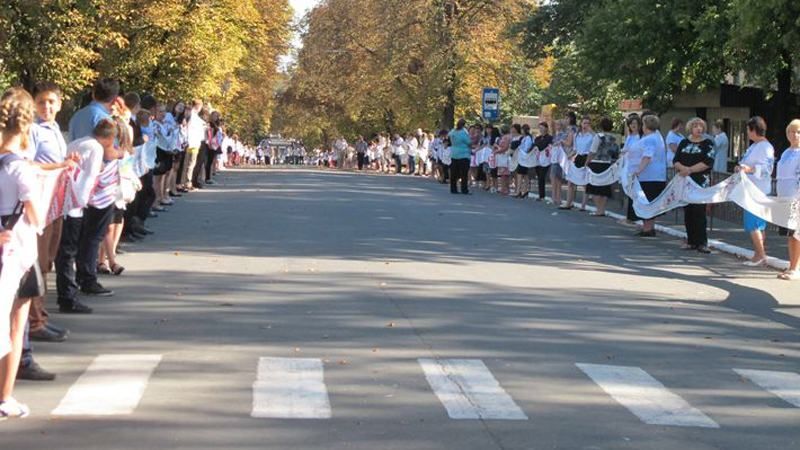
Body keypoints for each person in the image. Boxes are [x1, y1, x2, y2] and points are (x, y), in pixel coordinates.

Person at [0, 87, 44, 419]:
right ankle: (5, 396)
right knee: (15, 324)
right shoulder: (20, 168)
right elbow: (36, 217)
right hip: (15, 252)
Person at [56, 120, 118, 314]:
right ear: (109, 138)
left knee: (67, 249)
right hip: (74, 204)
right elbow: (90, 177)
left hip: (63, 200)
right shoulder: (96, 149)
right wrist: (84, 202)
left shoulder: (79, 143)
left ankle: (70, 289)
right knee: (68, 250)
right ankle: (68, 296)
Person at [673, 118, 715, 254]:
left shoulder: (707, 143)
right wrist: (682, 169)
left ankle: (702, 242)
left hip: (700, 181)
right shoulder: (684, 142)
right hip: (685, 181)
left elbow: (708, 161)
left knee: (699, 211)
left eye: (701, 126)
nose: (699, 129)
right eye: (696, 126)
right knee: (688, 211)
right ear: (690, 128)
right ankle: (691, 240)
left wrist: (690, 170)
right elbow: (676, 160)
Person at [738, 116, 775, 266]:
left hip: (757, 191)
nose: (747, 132)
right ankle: (758, 253)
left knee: (753, 224)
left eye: (748, 129)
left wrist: (749, 169)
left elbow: (767, 169)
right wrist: (740, 167)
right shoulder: (755, 146)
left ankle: (761, 255)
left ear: (754, 130)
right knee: (757, 224)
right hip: (750, 189)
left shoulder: (765, 147)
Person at [632, 114, 668, 237]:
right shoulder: (657, 137)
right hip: (657, 175)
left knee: (646, 202)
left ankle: (647, 228)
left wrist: (638, 170)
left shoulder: (650, 139)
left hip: (649, 175)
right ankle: (649, 227)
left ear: (645, 126)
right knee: (652, 202)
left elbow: (647, 156)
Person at [776, 119, 800, 280]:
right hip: (784, 197)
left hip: (796, 197)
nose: (795, 135)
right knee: (790, 234)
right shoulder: (786, 152)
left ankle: (795, 267)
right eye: (792, 131)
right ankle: (792, 264)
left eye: (798, 132)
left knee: (796, 234)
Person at [562, 116, 598, 210]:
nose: (585, 125)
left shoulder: (592, 135)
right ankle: (568, 203)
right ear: (581, 124)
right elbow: (575, 149)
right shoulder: (577, 135)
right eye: (584, 123)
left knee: (585, 183)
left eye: (587, 123)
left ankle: (583, 205)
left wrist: (591, 131)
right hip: (578, 157)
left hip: (587, 157)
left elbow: (597, 142)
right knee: (570, 181)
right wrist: (570, 155)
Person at [586, 117, 619, 216]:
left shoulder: (598, 136)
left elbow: (593, 150)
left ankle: (598, 209)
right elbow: (615, 151)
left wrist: (587, 161)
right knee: (605, 187)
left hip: (596, 162)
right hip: (607, 163)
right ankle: (602, 209)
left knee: (594, 187)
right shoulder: (613, 138)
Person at [622, 115, 644, 223]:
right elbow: (626, 149)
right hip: (629, 166)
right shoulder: (629, 137)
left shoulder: (641, 137)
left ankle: (637, 216)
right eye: (631, 124)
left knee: (637, 193)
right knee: (631, 192)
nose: (633, 126)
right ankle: (630, 217)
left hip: (638, 167)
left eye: (635, 124)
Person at [549, 119, 570, 207]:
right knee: (555, 178)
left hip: (560, 158)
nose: (556, 126)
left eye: (558, 125)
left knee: (557, 178)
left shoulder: (563, 134)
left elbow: (562, 144)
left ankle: (557, 197)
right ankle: (555, 197)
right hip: (554, 157)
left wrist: (557, 143)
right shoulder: (555, 135)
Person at [449, 119, 472, 194]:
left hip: (454, 153)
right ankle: (464, 189)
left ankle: (453, 188)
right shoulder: (463, 132)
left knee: (454, 173)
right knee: (464, 173)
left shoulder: (453, 132)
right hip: (463, 154)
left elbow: (449, 136)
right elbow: (468, 142)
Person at [533, 122, 553, 201]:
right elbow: (535, 145)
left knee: (542, 176)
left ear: (546, 128)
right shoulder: (537, 138)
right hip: (538, 159)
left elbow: (543, 146)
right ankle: (541, 195)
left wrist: (540, 145)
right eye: (540, 128)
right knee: (539, 177)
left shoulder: (550, 138)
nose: (541, 129)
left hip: (546, 159)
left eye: (542, 128)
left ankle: (544, 195)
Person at [515, 124, 536, 199]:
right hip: (522, 158)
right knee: (525, 175)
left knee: (520, 174)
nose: (521, 131)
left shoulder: (528, 138)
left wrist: (520, 150)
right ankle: (525, 190)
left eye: (522, 129)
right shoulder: (523, 138)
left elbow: (527, 148)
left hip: (525, 158)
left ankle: (519, 191)